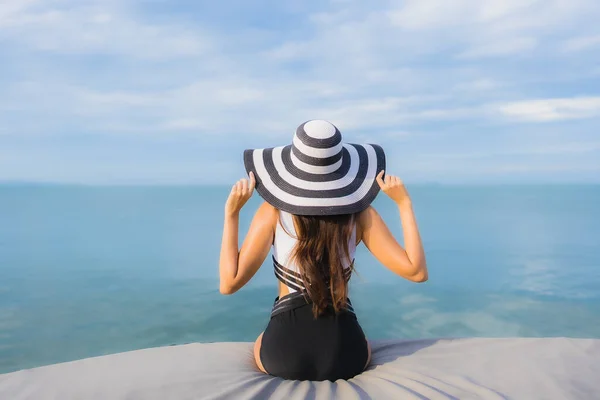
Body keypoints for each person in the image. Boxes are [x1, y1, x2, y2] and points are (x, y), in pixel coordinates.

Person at [219, 120, 427, 381]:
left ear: (292, 168)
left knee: (261, 341)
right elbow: (416, 272)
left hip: (284, 354)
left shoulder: (271, 213)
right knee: (362, 341)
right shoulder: (360, 216)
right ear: (341, 169)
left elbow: (229, 283)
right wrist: (404, 204)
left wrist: (232, 214)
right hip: (344, 354)